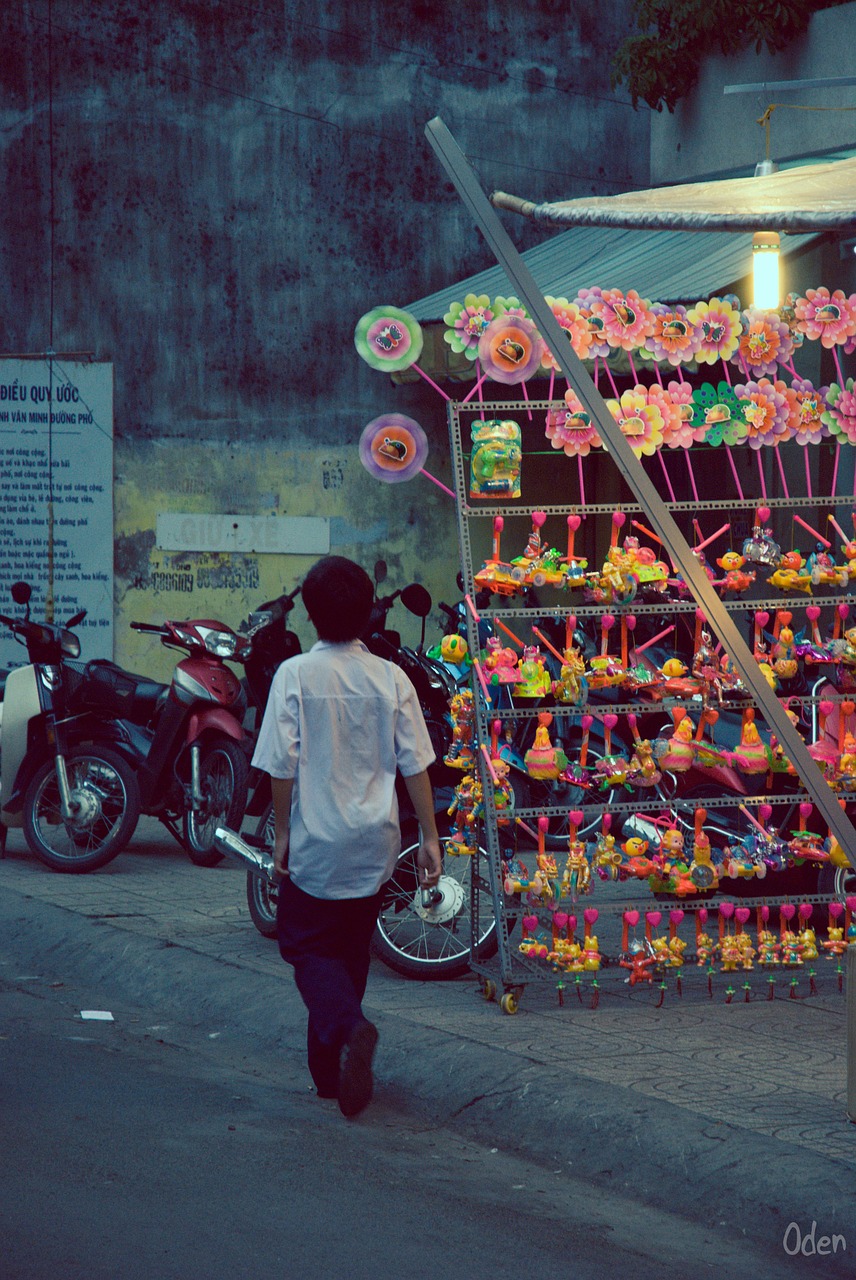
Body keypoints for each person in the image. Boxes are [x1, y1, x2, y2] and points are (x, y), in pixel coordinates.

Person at [251, 555, 442, 1118]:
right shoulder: (391, 677)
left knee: (307, 947)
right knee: (349, 955)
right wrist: (430, 838)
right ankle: (330, 1076)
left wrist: (281, 834)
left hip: (317, 841)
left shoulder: (295, 675)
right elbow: (416, 767)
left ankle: (351, 1029)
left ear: (310, 615)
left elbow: (281, 766)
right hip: (375, 844)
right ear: (367, 614)